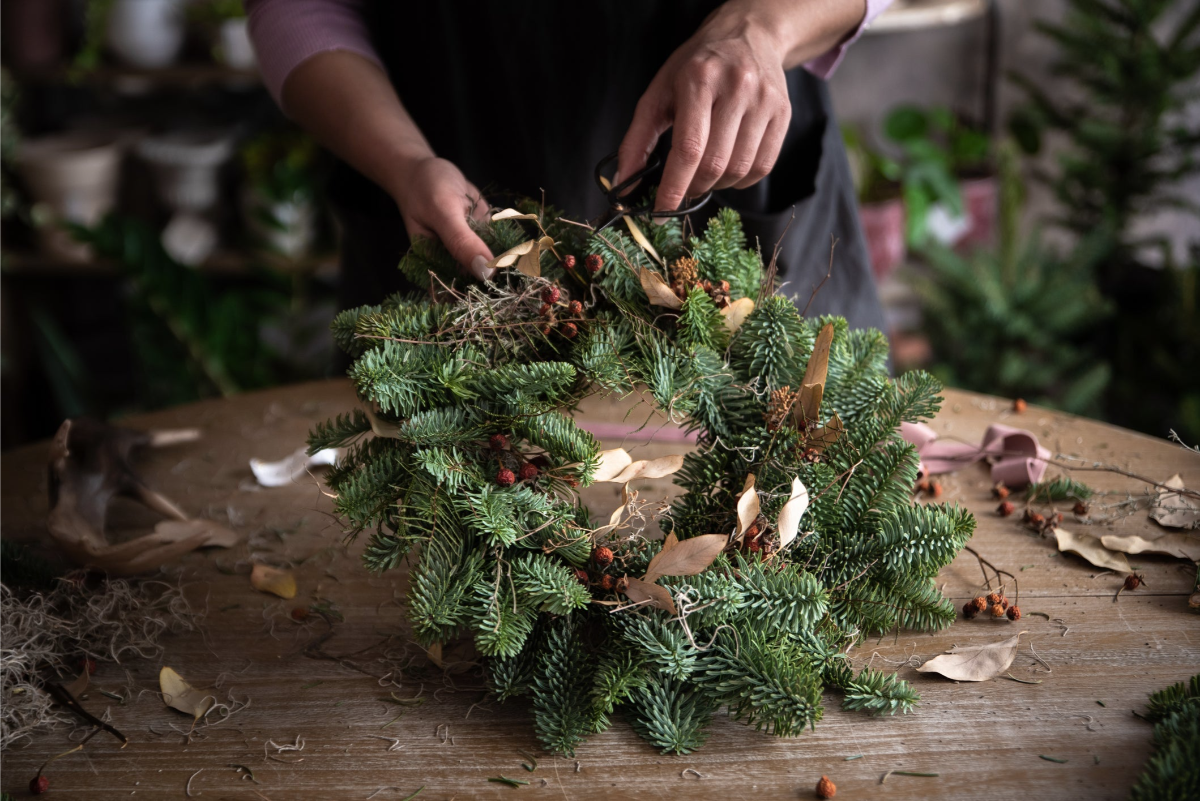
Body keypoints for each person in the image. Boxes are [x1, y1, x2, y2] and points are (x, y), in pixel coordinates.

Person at [246, 0, 891, 333]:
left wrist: (763, 26)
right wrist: (404, 160)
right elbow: (297, 11)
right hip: (436, 185)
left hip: (740, 169)